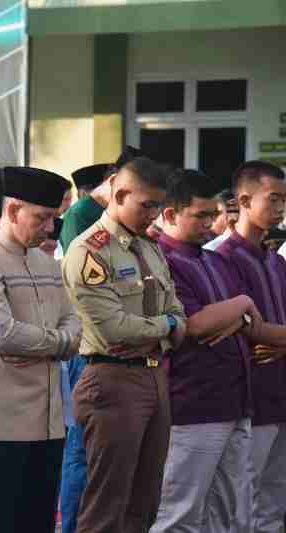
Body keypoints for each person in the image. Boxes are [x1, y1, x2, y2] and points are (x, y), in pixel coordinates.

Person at [152, 168, 286, 532]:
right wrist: (240, 307)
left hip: (239, 401)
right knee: (181, 513)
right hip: (194, 404)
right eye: (200, 216)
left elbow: (247, 325)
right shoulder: (162, 261)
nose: (211, 224)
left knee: (232, 514)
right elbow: (195, 326)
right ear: (169, 214)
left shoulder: (217, 260)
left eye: (213, 215)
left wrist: (236, 319)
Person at [61, 157, 187, 533]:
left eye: (157, 206)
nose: (153, 215)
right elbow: (116, 328)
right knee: (107, 503)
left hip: (153, 377)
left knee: (145, 500)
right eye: (145, 205)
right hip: (111, 379)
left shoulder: (149, 247)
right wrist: (166, 325)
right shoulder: (90, 251)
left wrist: (167, 325)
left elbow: (178, 312)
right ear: (118, 191)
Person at [0, 167, 80, 533]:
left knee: (38, 521)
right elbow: (4, 335)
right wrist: (58, 343)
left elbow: (77, 328)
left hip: (49, 419)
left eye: (54, 218)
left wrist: (50, 344)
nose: (50, 229)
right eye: (43, 218)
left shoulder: (46, 262)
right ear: (14, 211)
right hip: (1, 417)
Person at [57, 146, 141, 533]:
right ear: (114, 182)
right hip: (92, 347)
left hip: (127, 346)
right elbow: (89, 290)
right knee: (82, 450)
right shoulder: (82, 217)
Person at [217, 161, 286, 533]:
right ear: (243, 199)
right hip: (249, 395)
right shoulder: (224, 259)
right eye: (273, 199)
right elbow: (245, 328)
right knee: (244, 497)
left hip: (281, 391)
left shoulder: (276, 261)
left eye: (284, 201)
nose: (280, 208)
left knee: (275, 497)